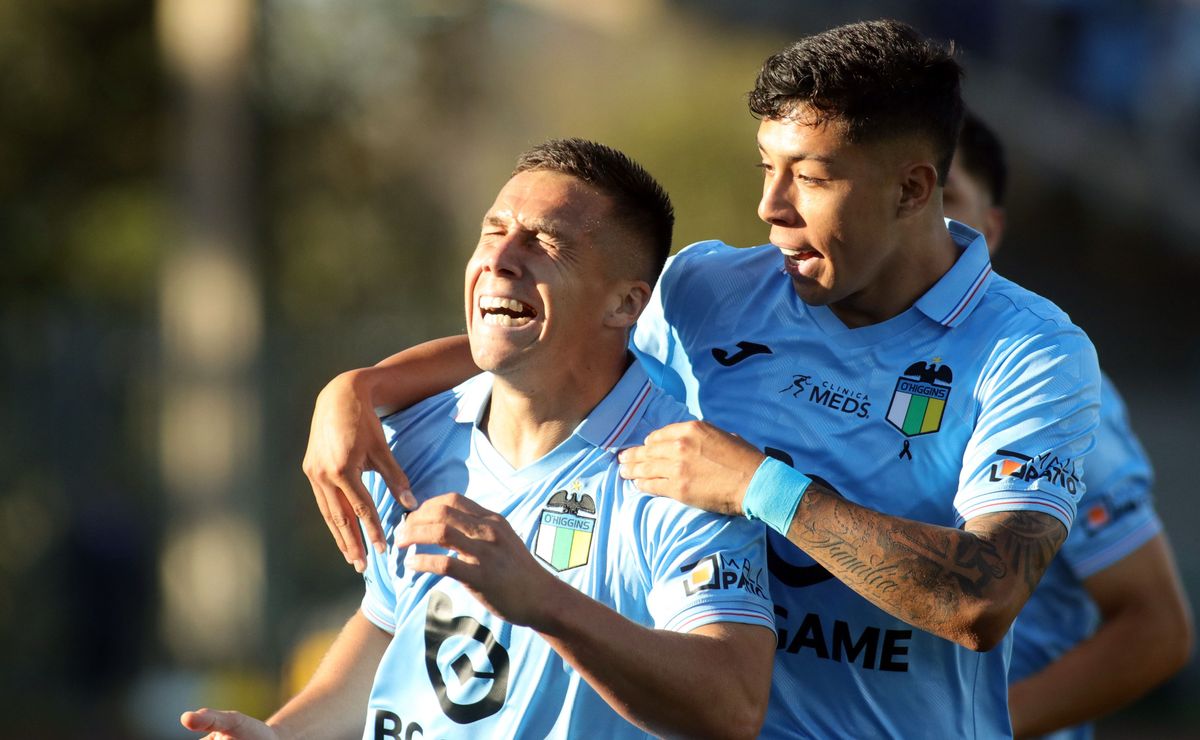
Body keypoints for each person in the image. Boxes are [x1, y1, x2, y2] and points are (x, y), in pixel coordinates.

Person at [302, 21, 1102, 737]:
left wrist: (760, 486)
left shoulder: (1031, 353)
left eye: (810, 178)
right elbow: (555, 336)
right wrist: (361, 390)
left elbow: (982, 599)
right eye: (766, 168)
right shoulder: (710, 289)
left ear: (912, 189)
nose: (770, 207)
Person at [182, 139, 776, 739]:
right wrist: (278, 735)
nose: (500, 258)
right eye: (493, 231)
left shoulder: (682, 471)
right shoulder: (413, 432)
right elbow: (389, 632)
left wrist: (544, 601)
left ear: (625, 304)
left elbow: (732, 708)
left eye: (545, 242)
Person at [943, 111, 1193, 739]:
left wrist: (977, 729)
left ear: (990, 229)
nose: (915, 218)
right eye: (898, 194)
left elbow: (1156, 627)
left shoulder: (1047, 380)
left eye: (943, 198)